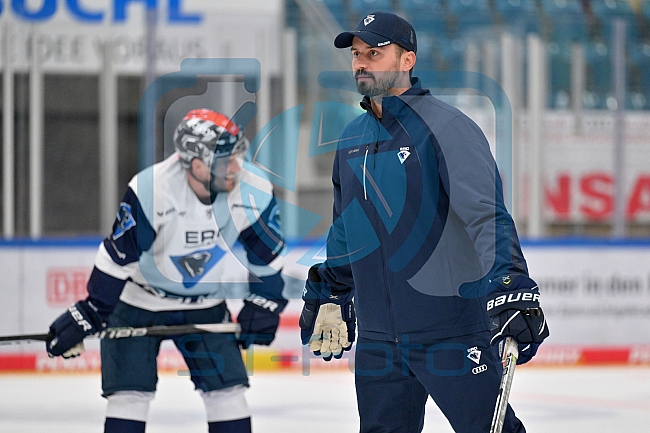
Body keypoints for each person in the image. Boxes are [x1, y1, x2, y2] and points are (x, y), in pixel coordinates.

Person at [299, 11, 549, 433]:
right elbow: (348, 230)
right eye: (357, 54)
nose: (361, 62)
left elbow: (485, 215)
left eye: (374, 53)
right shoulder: (352, 139)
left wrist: (509, 281)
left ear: (407, 60)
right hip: (379, 342)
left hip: (450, 332)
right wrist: (330, 290)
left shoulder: (448, 127)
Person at [46, 109, 287, 433]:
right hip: (138, 302)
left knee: (227, 392)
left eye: (237, 156)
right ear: (196, 163)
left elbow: (267, 256)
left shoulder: (254, 188)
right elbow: (118, 257)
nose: (236, 167)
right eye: (225, 160)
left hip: (204, 304)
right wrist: (91, 310)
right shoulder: (151, 188)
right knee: (128, 395)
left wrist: (264, 302)